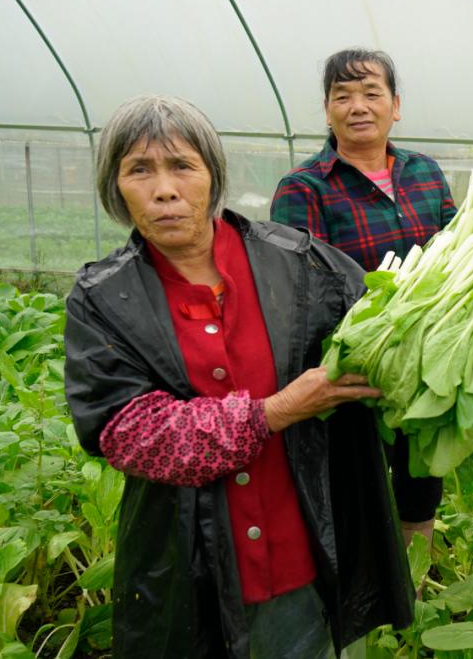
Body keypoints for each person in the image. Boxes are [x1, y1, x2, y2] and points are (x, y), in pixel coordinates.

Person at [64, 95, 414, 658]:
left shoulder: (300, 264)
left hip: (300, 561)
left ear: (212, 174)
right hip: (185, 572)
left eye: (182, 166)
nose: (164, 190)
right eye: (139, 170)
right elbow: (130, 434)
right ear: (116, 187)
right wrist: (277, 410)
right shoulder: (105, 299)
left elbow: (394, 327)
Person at [271, 48, 473, 549]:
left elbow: (456, 253)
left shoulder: (424, 173)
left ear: (395, 105)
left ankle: (415, 589)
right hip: (351, 373)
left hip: (429, 371)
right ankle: (359, 610)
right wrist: (400, 317)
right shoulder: (303, 189)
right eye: (342, 96)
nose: (358, 106)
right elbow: (302, 294)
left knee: (419, 492)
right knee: (351, 497)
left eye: (371, 93)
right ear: (327, 111)